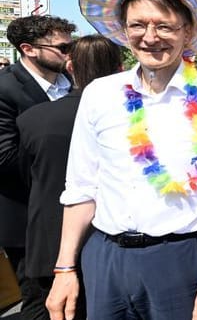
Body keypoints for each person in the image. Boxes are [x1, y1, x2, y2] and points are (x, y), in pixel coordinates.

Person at [46, 0, 197, 320]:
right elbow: (80, 188)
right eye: (138, 25)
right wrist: (64, 268)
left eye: (164, 27)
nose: (150, 37)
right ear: (123, 31)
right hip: (105, 258)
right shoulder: (100, 94)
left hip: (179, 261)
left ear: (187, 32)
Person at [17, 34, 122, 320]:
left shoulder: (32, 119)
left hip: (47, 237)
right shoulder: (132, 120)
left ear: (70, 67)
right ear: (120, 68)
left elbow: (24, 174)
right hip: (109, 240)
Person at [0, 14, 75, 318]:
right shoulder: (6, 88)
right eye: (62, 47)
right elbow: (4, 157)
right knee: (38, 301)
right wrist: (53, 166)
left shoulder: (70, 84)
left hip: (70, 212)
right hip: (26, 218)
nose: (70, 54)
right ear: (28, 49)